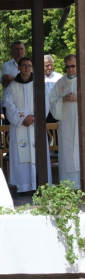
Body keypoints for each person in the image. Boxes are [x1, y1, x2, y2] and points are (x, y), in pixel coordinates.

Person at [5, 57, 52, 193]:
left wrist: (34, 118)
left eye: (29, 66)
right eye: (24, 65)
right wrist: (23, 118)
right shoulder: (12, 86)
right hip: (19, 126)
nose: (27, 68)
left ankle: (41, 185)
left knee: (38, 154)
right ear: (18, 67)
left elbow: (45, 103)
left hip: (36, 126)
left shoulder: (39, 84)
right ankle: (22, 186)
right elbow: (9, 106)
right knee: (21, 156)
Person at [49, 54, 79, 188]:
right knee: (67, 150)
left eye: (73, 66)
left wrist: (79, 98)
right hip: (66, 123)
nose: (70, 69)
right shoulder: (61, 83)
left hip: (80, 124)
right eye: (68, 67)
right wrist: (62, 100)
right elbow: (52, 101)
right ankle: (69, 186)